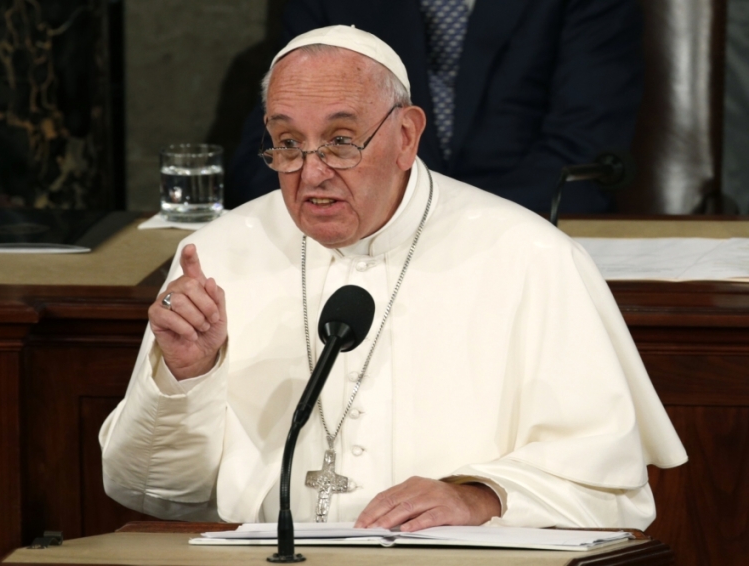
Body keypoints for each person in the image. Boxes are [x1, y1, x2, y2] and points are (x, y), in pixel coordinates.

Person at [101, 26, 686, 530]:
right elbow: (150, 493)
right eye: (287, 144)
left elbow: (613, 492)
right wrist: (185, 377)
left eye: (340, 141)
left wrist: (477, 496)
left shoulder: (529, 256)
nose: (311, 174)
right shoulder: (218, 255)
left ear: (406, 136)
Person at [226, 0, 644, 214]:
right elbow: (266, 155)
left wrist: (430, 222)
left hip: (521, 228)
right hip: (364, 236)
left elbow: (583, 155)